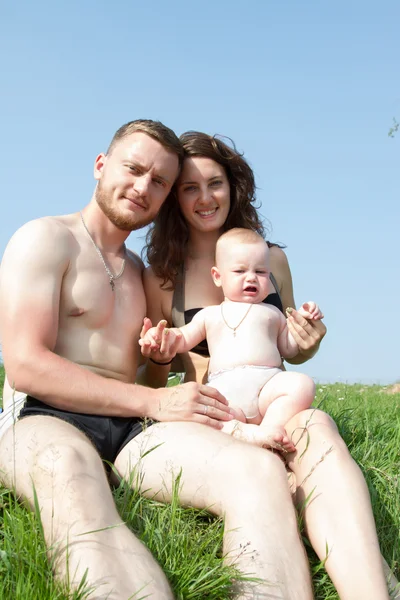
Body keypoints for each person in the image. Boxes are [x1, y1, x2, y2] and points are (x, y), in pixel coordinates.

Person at [0, 119, 317, 600]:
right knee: (71, 474)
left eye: (160, 182)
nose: (143, 187)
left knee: (257, 471)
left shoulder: (141, 275)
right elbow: (26, 365)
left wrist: (160, 362)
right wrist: (152, 403)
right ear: (101, 165)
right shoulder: (46, 238)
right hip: (43, 414)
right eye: (133, 169)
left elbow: (154, 377)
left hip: (130, 429)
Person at [141, 131, 396, 599]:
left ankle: (371, 591)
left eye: (214, 183)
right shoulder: (163, 276)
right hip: (216, 412)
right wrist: (158, 354)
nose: (204, 197)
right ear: (174, 197)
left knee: (317, 424)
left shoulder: (271, 258)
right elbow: (163, 369)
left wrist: (309, 340)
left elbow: (290, 345)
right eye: (189, 187)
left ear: (233, 186)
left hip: (272, 400)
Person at [141, 227, 324, 452]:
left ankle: (270, 430)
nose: (251, 278)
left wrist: (304, 320)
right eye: (240, 271)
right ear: (218, 277)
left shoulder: (272, 312)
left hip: (268, 386)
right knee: (207, 418)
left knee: (302, 384)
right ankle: (245, 434)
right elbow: (182, 338)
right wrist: (161, 336)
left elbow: (289, 348)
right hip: (226, 392)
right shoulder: (210, 314)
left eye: (261, 272)